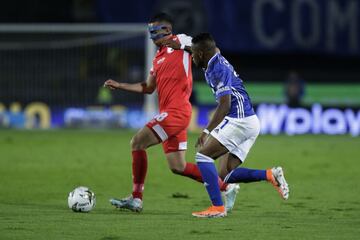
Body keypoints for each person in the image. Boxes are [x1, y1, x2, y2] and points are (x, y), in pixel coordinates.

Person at [103, 13, 238, 212]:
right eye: (150, 31)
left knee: (137, 142)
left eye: (154, 30)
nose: (151, 35)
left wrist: (182, 47)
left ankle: (136, 198)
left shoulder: (182, 40)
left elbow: (213, 51)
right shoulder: (156, 58)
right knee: (178, 166)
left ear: (167, 30)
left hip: (177, 111)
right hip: (170, 113)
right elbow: (148, 87)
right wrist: (120, 85)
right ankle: (227, 187)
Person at [190, 33, 290, 218]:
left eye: (194, 54)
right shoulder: (214, 54)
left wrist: (206, 131)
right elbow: (206, 47)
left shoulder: (218, 69)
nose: (192, 57)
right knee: (223, 175)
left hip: (239, 119)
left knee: (203, 156)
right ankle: (270, 175)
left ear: (202, 54)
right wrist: (181, 43)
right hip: (251, 121)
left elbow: (225, 105)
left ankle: (217, 208)